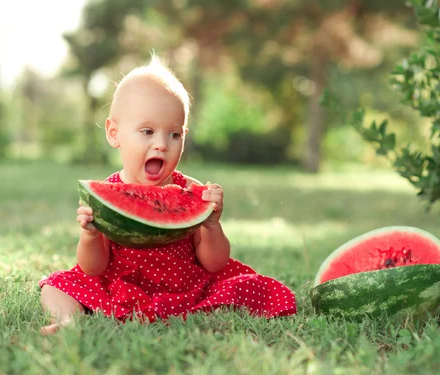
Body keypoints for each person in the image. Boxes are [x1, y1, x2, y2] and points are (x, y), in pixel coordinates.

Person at [38, 54, 297, 334]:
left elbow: (215, 262)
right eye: (147, 131)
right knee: (56, 285)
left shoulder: (191, 191)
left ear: (184, 134)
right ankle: (68, 323)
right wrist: (89, 236)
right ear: (114, 133)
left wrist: (211, 224)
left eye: (174, 135)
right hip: (119, 287)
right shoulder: (105, 195)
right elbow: (93, 268)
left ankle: (205, 312)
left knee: (245, 284)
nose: (161, 144)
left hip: (186, 288)